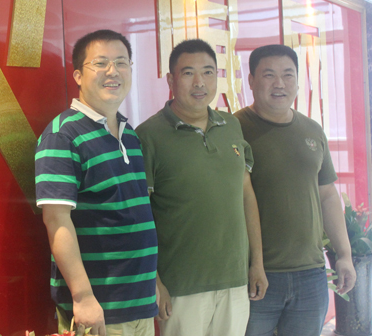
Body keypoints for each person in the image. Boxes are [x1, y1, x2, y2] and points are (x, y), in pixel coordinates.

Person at [135, 39, 267, 336]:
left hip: (235, 282)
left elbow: (246, 194)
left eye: (208, 72)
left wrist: (257, 263)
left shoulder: (231, 126)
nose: (199, 82)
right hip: (181, 288)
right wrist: (154, 281)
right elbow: (139, 215)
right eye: (188, 73)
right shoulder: (148, 135)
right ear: (171, 80)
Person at [35, 29, 159, 336]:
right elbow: (56, 220)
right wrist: (83, 297)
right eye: (100, 63)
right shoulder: (63, 135)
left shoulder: (129, 135)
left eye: (121, 62)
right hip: (100, 309)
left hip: (139, 303)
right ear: (78, 75)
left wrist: (153, 283)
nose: (113, 71)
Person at [235, 44, 357, 336]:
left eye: (288, 75)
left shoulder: (312, 130)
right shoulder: (234, 129)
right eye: (269, 75)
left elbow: (327, 195)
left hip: (310, 274)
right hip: (254, 273)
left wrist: (344, 254)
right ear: (250, 81)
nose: (279, 83)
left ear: (298, 81)